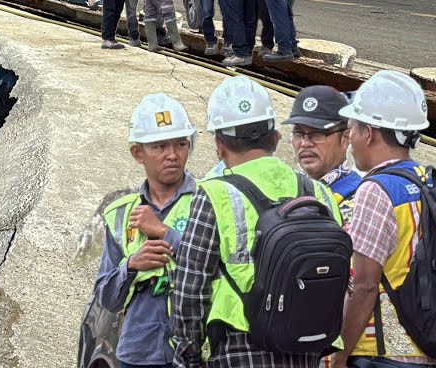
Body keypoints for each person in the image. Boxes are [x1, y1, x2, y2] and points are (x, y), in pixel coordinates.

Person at [171, 75, 342, 368]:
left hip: (240, 350)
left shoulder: (215, 194)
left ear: (219, 144)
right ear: (275, 138)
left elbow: (189, 290)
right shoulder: (321, 194)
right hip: (306, 352)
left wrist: (188, 356)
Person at [335, 70, 434, 368]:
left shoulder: (376, 190)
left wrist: (339, 356)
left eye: (352, 126)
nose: (349, 136)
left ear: (370, 132)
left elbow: (365, 286)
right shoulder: (425, 181)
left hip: (382, 353)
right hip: (426, 344)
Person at [94, 93, 198, 368]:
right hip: (138, 352)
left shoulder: (208, 201)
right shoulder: (120, 215)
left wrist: (165, 232)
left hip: (196, 352)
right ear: (138, 153)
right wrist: (130, 266)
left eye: (181, 144)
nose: (173, 155)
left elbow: (223, 271)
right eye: (160, 146)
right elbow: (106, 298)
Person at [283, 85, 360, 221]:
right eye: (299, 133)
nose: (305, 143)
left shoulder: (357, 199)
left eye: (318, 133)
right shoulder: (287, 188)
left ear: (345, 138)